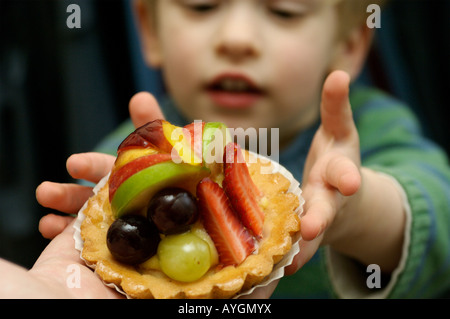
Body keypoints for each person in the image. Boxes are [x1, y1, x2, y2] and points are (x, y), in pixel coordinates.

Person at [33, 0, 450, 299]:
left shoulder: (371, 126)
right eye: (201, 7)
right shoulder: (131, 153)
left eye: (283, 11)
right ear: (149, 28)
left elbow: (439, 205)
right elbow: (101, 239)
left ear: (350, 44)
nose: (236, 39)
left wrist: (358, 213)